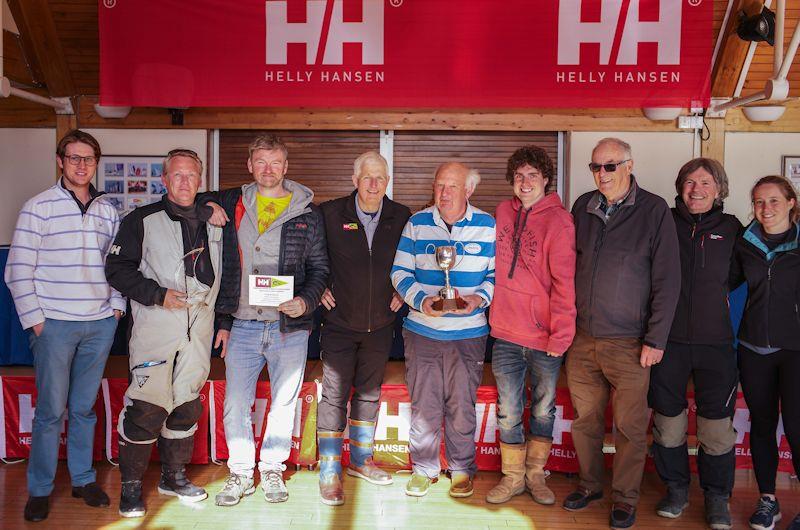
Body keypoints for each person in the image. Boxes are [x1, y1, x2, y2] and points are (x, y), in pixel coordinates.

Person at [5, 130, 124, 522]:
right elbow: (17, 270)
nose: (80, 165)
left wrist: (116, 310)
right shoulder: (38, 207)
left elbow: (116, 266)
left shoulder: (109, 209)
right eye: (73, 158)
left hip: (99, 324)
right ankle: (39, 488)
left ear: (95, 163)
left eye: (88, 159)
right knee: (51, 412)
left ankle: (83, 479)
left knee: (84, 408)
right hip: (53, 325)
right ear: (60, 160)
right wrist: (37, 323)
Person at [564, 138, 680, 529]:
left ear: (629, 166)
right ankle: (590, 484)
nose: (602, 174)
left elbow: (668, 279)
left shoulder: (654, 210)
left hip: (631, 342)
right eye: (595, 167)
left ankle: (625, 499)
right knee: (586, 420)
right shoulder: (583, 206)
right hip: (582, 338)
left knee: (630, 427)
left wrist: (656, 339)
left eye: (610, 166)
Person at [211, 134, 329, 506]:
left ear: (286, 167)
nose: (268, 169)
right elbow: (190, 202)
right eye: (260, 162)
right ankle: (241, 472)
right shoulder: (232, 201)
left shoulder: (308, 212)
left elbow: (320, 269)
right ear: (249, 166)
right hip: (243, 322)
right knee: (236, 402)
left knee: (283, 402)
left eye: (275, 162)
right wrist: (225, 323)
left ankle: (273, 468)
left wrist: (305, 301)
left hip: (288, 327)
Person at [105, 148, 223, 518]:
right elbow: (117, 269)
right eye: (177, 175)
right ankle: (131, 487)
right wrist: (157, 294)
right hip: (157, 325)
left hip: (199, 327)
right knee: (146, 406)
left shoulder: (215, 220)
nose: (185, 182)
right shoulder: (141, 219)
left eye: (192, 176)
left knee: (187, 402)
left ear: (201, 181)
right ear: (164, 179)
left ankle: (173, 477)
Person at [647, 158, 742, 529]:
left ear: (719, 189)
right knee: (668, 424)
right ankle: (676, 489)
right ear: (679, 187)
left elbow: (736, 278)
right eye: (689, 182)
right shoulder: (664, 221)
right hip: (666, 341)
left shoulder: (732, 228)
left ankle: (718, 497)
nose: (696, 189)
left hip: (715, 344)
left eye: (705, 182)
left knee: (716, 428)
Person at [390, 162, 495, 498]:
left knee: (462, 403)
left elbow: (496, 276)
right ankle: (424, 467)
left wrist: (479, 298)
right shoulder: (417, 224)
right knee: (425, 403)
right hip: (423, 331)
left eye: (453, 186)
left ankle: (462, 468)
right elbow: (400, 273)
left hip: (469, 333)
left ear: (469, 189)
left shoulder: (488, 225)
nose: (445, 193)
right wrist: (421, 301)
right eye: (439, 186)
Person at [316, 151, 411, 505]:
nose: (374, 184)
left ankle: (360, 461)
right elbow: (310, 257)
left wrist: (405, 290)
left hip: (382, 324)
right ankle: (329, 467)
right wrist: (318, 286)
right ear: (355, 180)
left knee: (370, 394)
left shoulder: (401, 216)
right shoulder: (329, 214)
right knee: (334, 396)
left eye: (381, 178)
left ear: (388, 181)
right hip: (339, 322)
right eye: (368, 177)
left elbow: (413, 261)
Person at [486, 146, 576, 506]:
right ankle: (513, 478)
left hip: (544, 337)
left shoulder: (560, 221)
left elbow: (565, 282)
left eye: (533, 177)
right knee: (509, 409)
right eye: (519, 176)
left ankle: (537, 475)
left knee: (542, 409)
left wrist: (562, 333)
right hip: (506, 332)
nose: (525, 183)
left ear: (546, 180)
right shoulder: (502, 212)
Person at [731, 176, 800, 530]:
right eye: (758, 202)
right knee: (762, 425)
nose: (766, 209)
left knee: (797, 425)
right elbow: (721, 284)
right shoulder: (744, 242)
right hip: (753, 347)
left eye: (774, 201)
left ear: (791, 203)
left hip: (795, 350)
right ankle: (768, 500)